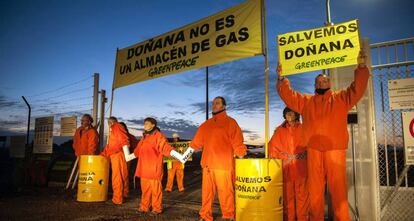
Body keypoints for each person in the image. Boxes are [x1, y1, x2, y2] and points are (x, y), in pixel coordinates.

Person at [276, 49, 369, 221]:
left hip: (335, 150)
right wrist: (282, 79)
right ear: (315, 86)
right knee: (315, 191)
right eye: (319, 81)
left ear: (329, 84)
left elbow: (357, 89)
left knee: (338, 190)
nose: (322, 82)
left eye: (325, 80)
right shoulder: (306, 102)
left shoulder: (341, 98)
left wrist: (361, 67)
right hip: (313, 150)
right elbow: (289, 97)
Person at [189, 96, 247, 221]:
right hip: (208, 165)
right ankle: (205, 215)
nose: (214, 105)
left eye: (217, 103)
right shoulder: (206, 124)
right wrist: (184, 156)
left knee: (226, 192)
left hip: (223, 165)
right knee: (207, 194)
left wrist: (241, 161)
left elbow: (238, 142)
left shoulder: (231, 122)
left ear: (224, 106)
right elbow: (195, 143)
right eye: (213, 103)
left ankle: (228, 215)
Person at [131, 118, 181, 216]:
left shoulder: (159, 136)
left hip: (154, 169)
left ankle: (157, 209)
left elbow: (165, 147)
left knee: (156, 191)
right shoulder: (144, 137)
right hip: (144, 169)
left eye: (147, 123)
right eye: (144, 123)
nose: (144, 125)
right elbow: (137, 151)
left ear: (153, 125)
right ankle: (144, 207)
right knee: (145, 190)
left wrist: (177, 155)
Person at [269, 107, 309, 221]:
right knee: (288, 198)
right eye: (287, 113)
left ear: (297, 115)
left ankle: (303, 219)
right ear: (284, 116)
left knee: (303, 197)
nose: (289, 115)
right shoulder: (279, 131)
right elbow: (272, 148)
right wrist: (284, 158)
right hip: (286, 169)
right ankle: (289, 218)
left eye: (292, 113)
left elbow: (311, 147)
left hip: (302, 168)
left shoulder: (304, 128)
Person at [101, 116, 130, 205]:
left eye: (108, 123)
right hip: (119, 154)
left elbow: (123, 140)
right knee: (122, 175)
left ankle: (117, 199)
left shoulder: (116, 127)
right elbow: (111, 145)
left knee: (117, 177)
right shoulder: (115, 129)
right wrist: (103, 154)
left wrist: (126, 151)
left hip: (117, 154)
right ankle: (124, 195)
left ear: (110, 123)